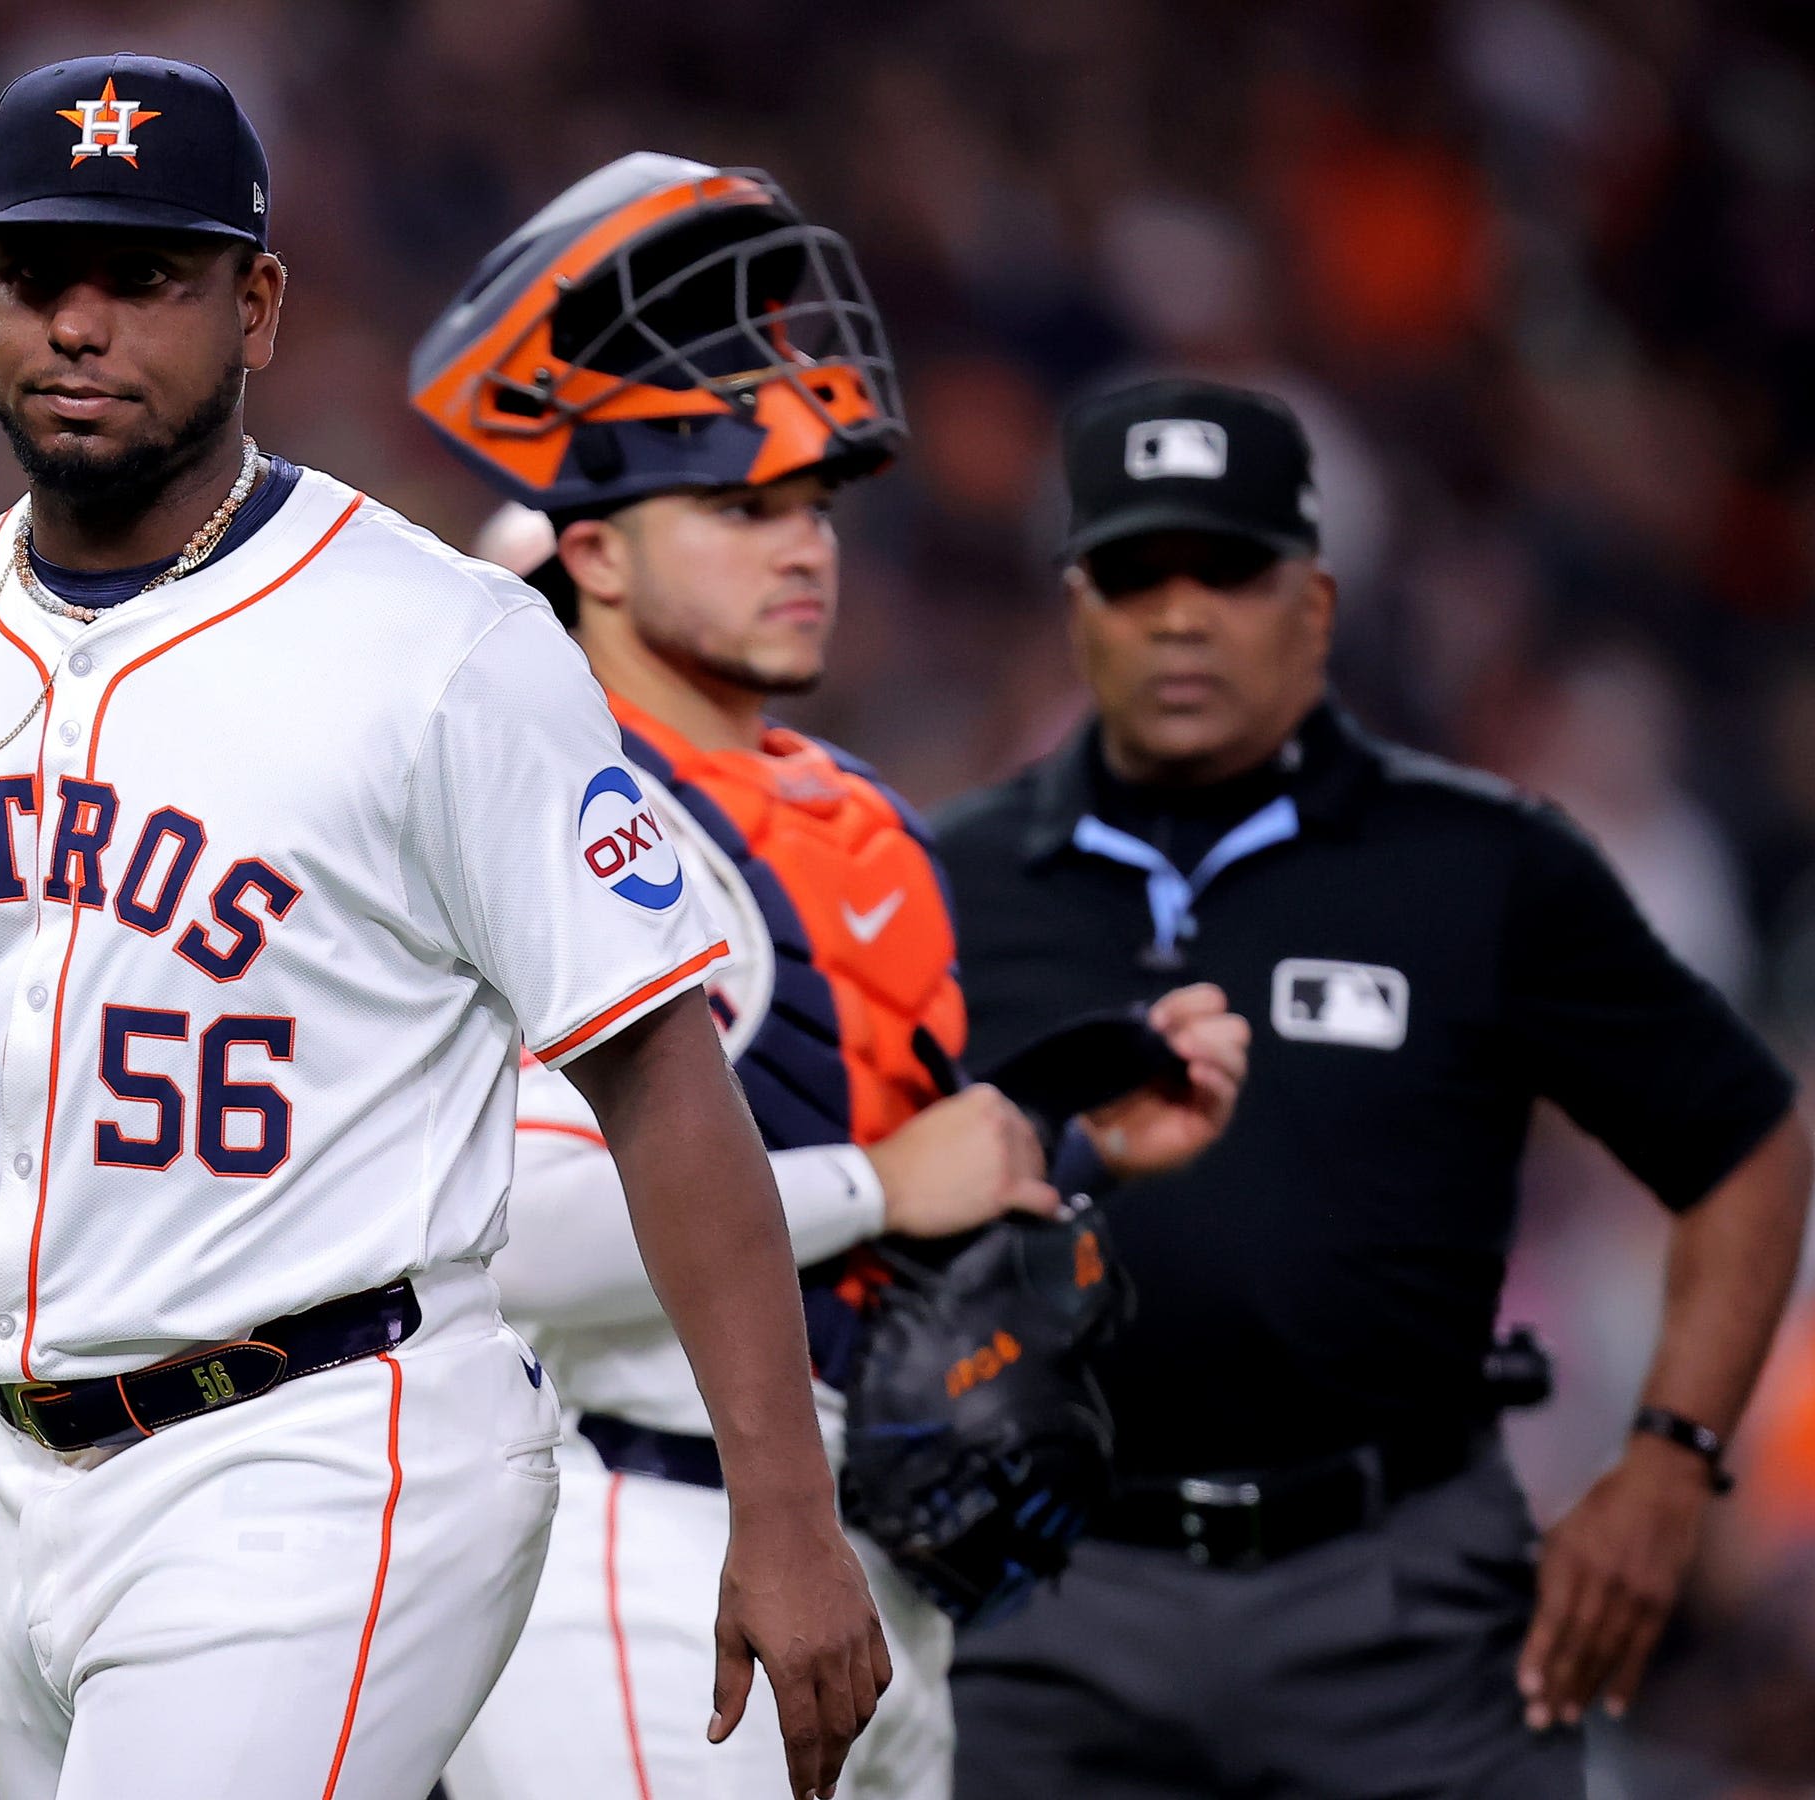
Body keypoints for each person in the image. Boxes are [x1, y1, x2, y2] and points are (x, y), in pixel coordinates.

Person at [0, 61, 889, 1800]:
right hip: (31, 1491)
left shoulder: (440, 645)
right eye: (37, 277)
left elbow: (660, 1081)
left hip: (336, 1445)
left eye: (146, 275)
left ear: (254, 304)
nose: (81, 324)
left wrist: (786, 1518)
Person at [406, 156, 1248, 1800]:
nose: (801, 545)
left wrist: (1070, 1148)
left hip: (865, 1575)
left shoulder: (849, 824)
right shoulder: (548, 814)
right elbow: (506, 1240)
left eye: (813, 504)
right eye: (736, 507)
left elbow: (876, 1202)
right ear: (599, 555)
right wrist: (878, 1183)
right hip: (619, 1552)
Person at [936, 375, 1815, 1797]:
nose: (1180, 614)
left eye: (1228, 569)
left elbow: (1748, 1147)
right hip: (1050, 1599)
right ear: (1074, 604)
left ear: (1317, 604)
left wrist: (1671, 1466)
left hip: (1398, 1603)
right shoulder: (947, 882)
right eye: (1134, 572)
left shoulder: (1479, 865)